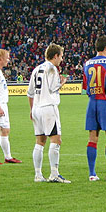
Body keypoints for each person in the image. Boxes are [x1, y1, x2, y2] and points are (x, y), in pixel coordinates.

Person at [27, 43, 70, 183]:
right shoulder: (52, 69)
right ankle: (54, 174)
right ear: (55, 56)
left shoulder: (36, 69)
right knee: (56, 140)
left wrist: (31, 109)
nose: (61, 59)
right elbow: (53, 87)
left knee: (40, 141)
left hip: (37, 108)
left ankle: (38, 175)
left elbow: (30, 93)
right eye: (61, 56)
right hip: (48, 107)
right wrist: (62, 82)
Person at [83, 36, 106, 182]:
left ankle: (92, 174)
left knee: (93, 137)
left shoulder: (87, 63)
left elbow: (85, 86)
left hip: (92, 102)